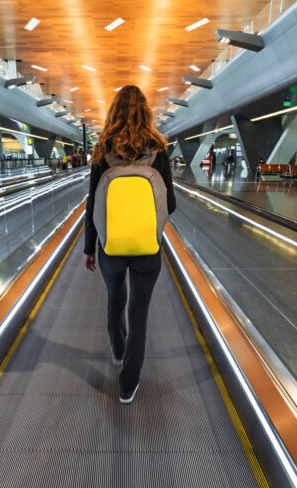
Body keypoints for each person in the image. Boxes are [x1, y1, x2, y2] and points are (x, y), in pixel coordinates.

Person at [84, 85, 176, 404]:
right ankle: (128, 384)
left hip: (110, 247)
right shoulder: (158, 148)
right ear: (146, 111)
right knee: (140, 312)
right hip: (147, 247)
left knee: (115, 300)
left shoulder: (103, 148)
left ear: (114, 111)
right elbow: (172, 204)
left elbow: (92, 204)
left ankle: (119, 352)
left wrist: (88, 248)